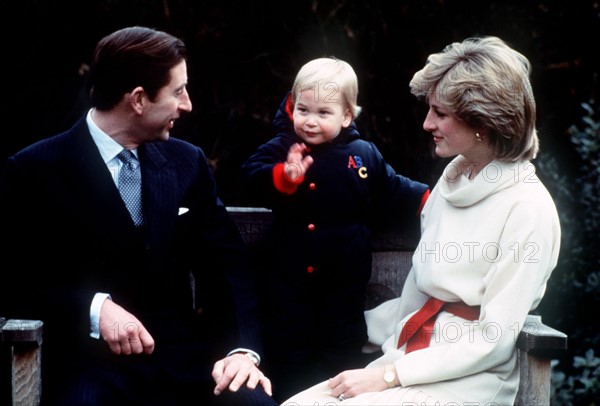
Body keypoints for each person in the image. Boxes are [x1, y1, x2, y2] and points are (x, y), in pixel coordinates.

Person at [0, 26, 278, 406]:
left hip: (186, 365)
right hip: (91, 368)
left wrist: (241, 353)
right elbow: (17, 282)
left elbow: (228, 268)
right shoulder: (35, 170)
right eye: (178, 91)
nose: (188, 105)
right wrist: (95, 308)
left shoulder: (187, 162)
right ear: (138, 99)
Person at [281, 36, 561, 405]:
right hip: (409, 359)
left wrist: (391, 375)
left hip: (471, 380)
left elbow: (493, 340)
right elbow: (417, 298)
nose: (427, 123)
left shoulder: (528, 207)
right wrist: (327, 326)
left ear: (484, 121)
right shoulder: (452, 182)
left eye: (440, 113)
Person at [240, 57, 430, 402]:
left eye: (323, 113)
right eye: (303, 110)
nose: (310, 121)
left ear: (346, 116)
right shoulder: (282, 148)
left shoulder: (362, 156)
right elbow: (249, 177)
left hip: (343, 294)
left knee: (339, 363)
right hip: (287, 289)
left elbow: (395, 190)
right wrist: (285, 177)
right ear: (291, 107)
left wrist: (433, 201)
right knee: (288, 362)